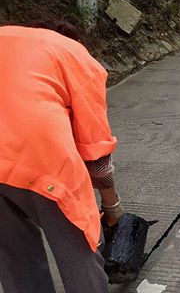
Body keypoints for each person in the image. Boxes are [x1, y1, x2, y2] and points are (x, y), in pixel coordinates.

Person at [0, 21, 124, 293]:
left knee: (15, 259)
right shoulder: (74, 54)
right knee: (77, 249)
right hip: (40, 158)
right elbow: (96, 150)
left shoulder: (11, 38)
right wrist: (112, 205)